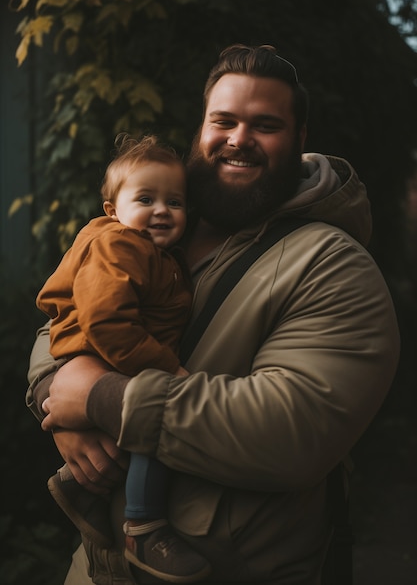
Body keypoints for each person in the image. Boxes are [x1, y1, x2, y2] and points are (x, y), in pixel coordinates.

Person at [28, 44, 400, 585]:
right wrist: (53, 387)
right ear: (201, 130)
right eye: (222, 120)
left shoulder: (332, 265)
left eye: (265, 124)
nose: (238, 139)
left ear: (299, 141)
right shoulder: (155, 223)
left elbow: (290, 431)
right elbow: (62, 313)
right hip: (94, 571)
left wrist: (99, 397)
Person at [35, 133, 211, 582]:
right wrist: (167, 368)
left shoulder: (154, 252)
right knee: (152, 422)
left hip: (110, 352)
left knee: (124, 439)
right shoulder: (120, 245)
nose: (162, 210)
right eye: (146, 198)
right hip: (104, 351)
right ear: (114, 210)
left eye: (175, 202)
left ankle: (82, 488)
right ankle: (144, 524)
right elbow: (108, 321)